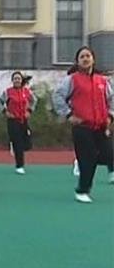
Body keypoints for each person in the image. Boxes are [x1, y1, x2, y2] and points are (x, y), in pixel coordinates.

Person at [53, 46, 114, 203]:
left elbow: (111, 99)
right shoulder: (72, 80)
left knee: (110, 154)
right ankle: (82, 191)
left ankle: (81, 161)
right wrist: (68, 114)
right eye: (82, 57)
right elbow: (58, 96)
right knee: (88, 159)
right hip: (82, 127)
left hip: (101, 126)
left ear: (93, 59)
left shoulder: (102, 81)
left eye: (88, 56)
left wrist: (110, 116)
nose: (85, 59)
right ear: (77, 61)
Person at [0, 71, 37, 174]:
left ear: (21, 80)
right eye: (15, 79)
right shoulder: (8, 92)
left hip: (23, 120)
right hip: (13, 120)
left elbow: (34, 100)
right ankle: (20, 165)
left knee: (27, 143)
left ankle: (13, 145)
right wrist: (5, 112)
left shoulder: (26, 91)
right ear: (12, 80)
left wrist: (29, 111)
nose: (17, 80)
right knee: (18, 143)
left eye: (18, 78)